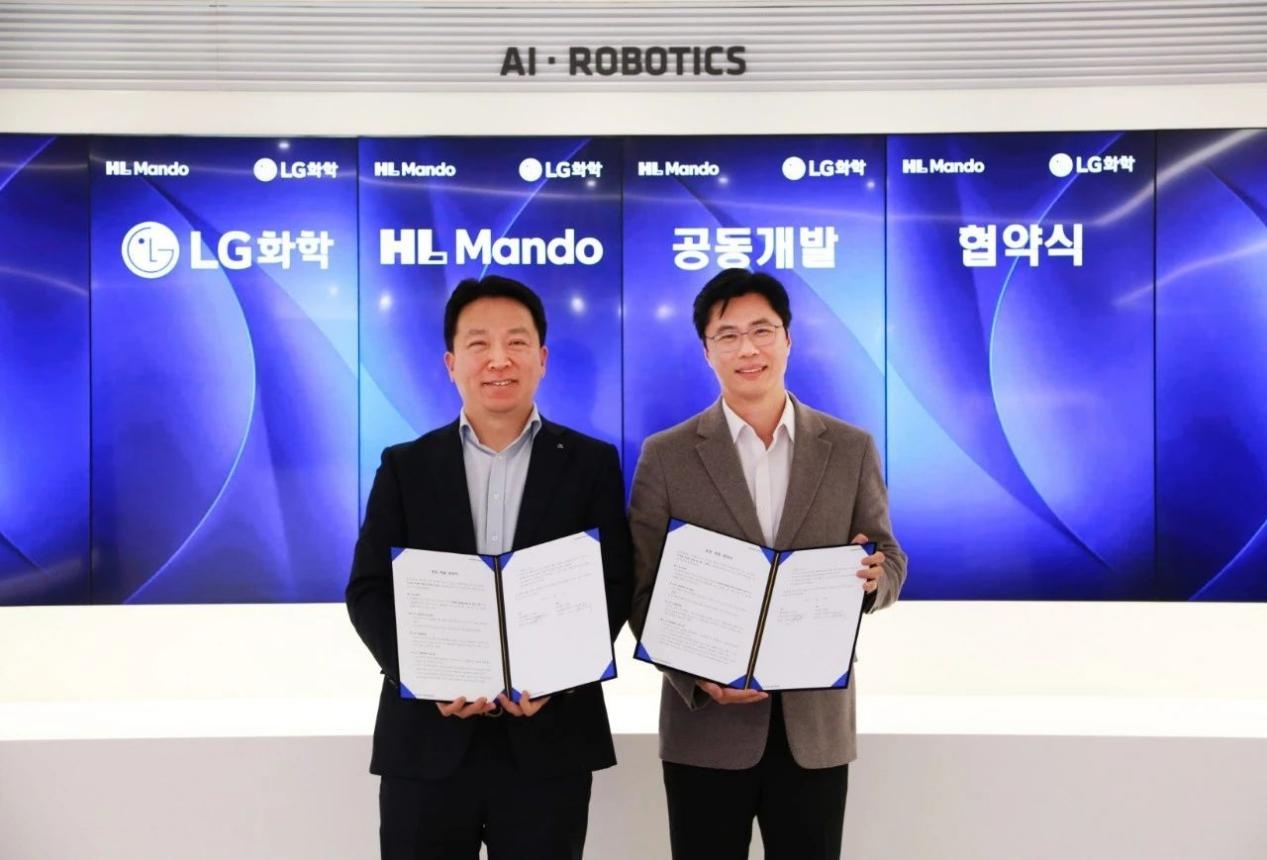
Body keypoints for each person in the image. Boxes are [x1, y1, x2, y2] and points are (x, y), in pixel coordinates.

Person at [347, 274, 632, 860]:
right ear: (451, 363)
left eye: (516, 342)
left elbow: (614, 582)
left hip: (549, 738)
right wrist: (422, 677)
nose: (499, 359)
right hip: (427, 740)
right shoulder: (405, 466)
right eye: (479, 344)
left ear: (542, 358)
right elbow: (369, 589)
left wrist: (558, 677)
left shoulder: (591, 464)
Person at [628, 268, 906, 860]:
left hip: (815, 727)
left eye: (762, 331)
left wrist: (875, 580)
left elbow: (890, 556)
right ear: (706, 351)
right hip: (705, 729)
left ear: (788, 339)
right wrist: (693, 676)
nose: (747, 349)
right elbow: (640, 589)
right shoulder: (667, 456)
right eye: (727, 335)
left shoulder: (850, 448)